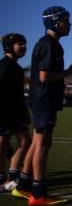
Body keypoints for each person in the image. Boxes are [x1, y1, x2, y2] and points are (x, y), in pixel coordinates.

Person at [12, 6, 72, 206]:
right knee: (43, 144)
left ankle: (23, 185)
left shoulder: (51, 44)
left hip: (42, 101)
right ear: (55, 22)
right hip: (44, 101)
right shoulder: (49, 45)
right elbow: (44, 77)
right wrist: (70, 71)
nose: (69, 24)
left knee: (38, 142)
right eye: (66, 21)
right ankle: (38, 193)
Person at [0, 33, 31, 192]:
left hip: (16, 113)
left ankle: (12, 176)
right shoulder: (4, 65)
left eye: (25, 44)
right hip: (4, 113)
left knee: (26, 141)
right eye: (21, 44)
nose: (24, 47)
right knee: (2, 144)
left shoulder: (17, 67)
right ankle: (1, 178)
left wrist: (24, 111)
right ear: (9, 46)